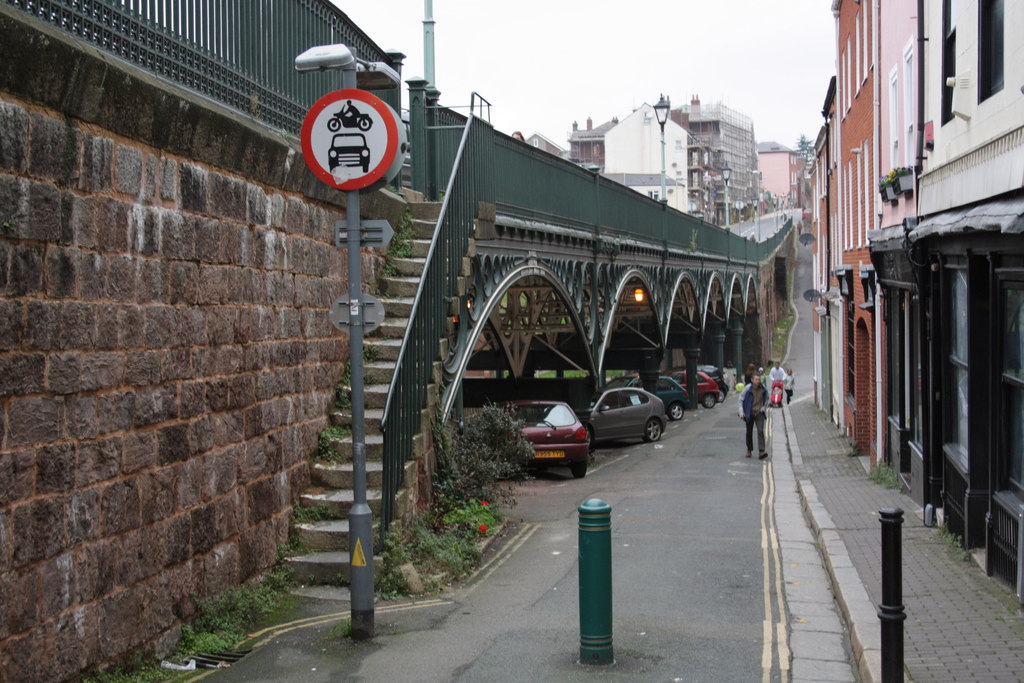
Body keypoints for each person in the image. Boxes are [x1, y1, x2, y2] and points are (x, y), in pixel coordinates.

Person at [739, 374, 770, 459]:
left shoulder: (763, 388)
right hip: (750, 412)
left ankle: (761, 451)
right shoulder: (747, 389)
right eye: (756, 379)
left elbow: (767, 399)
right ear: (752, 380)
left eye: (759, 379)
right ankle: (749, 450)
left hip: (759, 412)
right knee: (749, 432)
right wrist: (741, 412)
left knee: (760, 431)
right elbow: (740, 400)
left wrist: (764, 407)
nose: (758, 381)